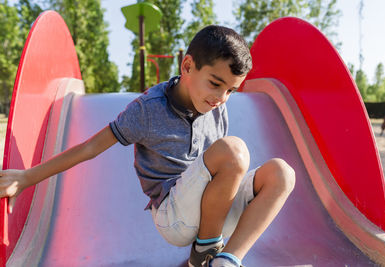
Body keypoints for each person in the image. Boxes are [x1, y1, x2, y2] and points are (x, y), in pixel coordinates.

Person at [0, 25, 295, 267]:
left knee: (282, 173)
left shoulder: (216, 106)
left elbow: (221, 176)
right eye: (215, 83)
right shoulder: (148, 110)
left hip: (211, 211)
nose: (221, 97)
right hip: (174, 216)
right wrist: (27, 177)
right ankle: (205, 252)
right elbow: (89, 148)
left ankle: (227, 259)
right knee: (233, 151)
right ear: (188, 65)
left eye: (231, 90)